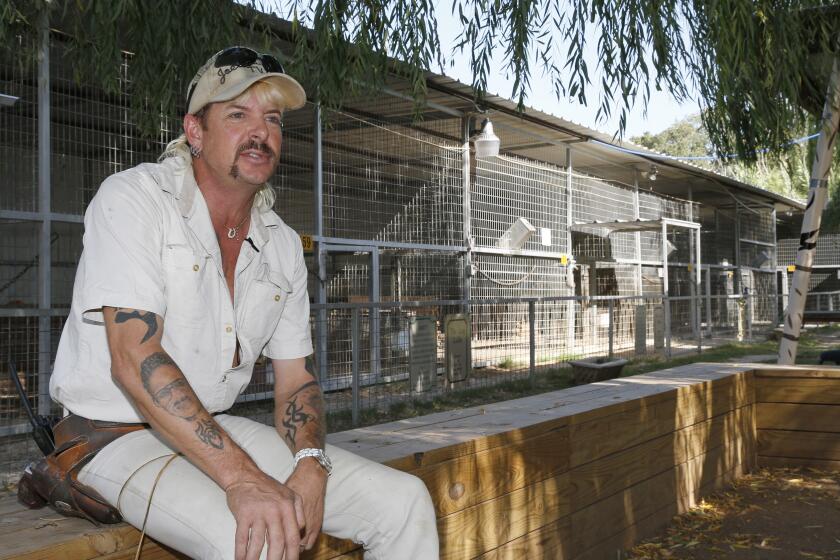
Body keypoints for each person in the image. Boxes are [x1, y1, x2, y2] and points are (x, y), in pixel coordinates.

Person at [49, 46, 439, 560]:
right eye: (237, 115)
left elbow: (296, 380)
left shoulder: (280, 243)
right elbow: (133, 359)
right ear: (194, 130)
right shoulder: (135, 198)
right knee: (260, 539)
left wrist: (309, 459)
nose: (261, 132)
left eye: (272, 120)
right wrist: (243, 480)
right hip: (112, 436)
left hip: (212, 425)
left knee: (404, 502)